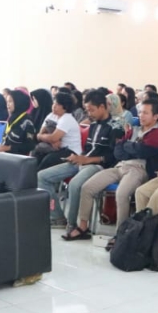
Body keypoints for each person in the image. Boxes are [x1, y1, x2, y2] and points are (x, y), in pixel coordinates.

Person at [74, 100, 158, 238]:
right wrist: (129, 147)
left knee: (122, 194)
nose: (141, 115)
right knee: (87, 187)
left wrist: (126, 145)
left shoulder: (157, 135)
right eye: (140, 112)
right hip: (120, 166)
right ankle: (83, 227)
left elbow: (142, 151)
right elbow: (118, 151)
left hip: (138, 170)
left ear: (156, 116)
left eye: (145, 113)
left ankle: (120, 234)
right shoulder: (134, 129)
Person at [42, 91, 120, 237]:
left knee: (74, 184)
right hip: (82, 161)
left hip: (99, 166)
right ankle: (58, 217)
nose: (89, 114)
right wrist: (78, 157)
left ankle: (72, 225)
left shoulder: (115, 127)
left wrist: (87, 160)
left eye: (92, 110)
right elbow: (88, 149)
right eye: (87, 110)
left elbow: (114, 156)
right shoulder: (93, 125)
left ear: (102, 107)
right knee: (42, 176)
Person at [34, 91, 82, 171]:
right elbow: (40, 133)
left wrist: (45, 137)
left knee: (48, 160)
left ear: (65, 107)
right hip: (54, 148)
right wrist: (43, 137)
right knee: (36, 153)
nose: (54, 106)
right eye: (54, 103)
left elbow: (53, 138)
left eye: (58, 104)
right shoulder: (51, 115)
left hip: (70, 151)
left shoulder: (67, 118)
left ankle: (37, 177)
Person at [0, 90, 36, 155]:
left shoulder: (27, 121)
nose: (7, 104)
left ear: (18, 102)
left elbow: (30, 146)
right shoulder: (12, 118)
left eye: (10, 101)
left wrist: (8, 148)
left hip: (18, 158)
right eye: (7, 102)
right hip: (6, 155)